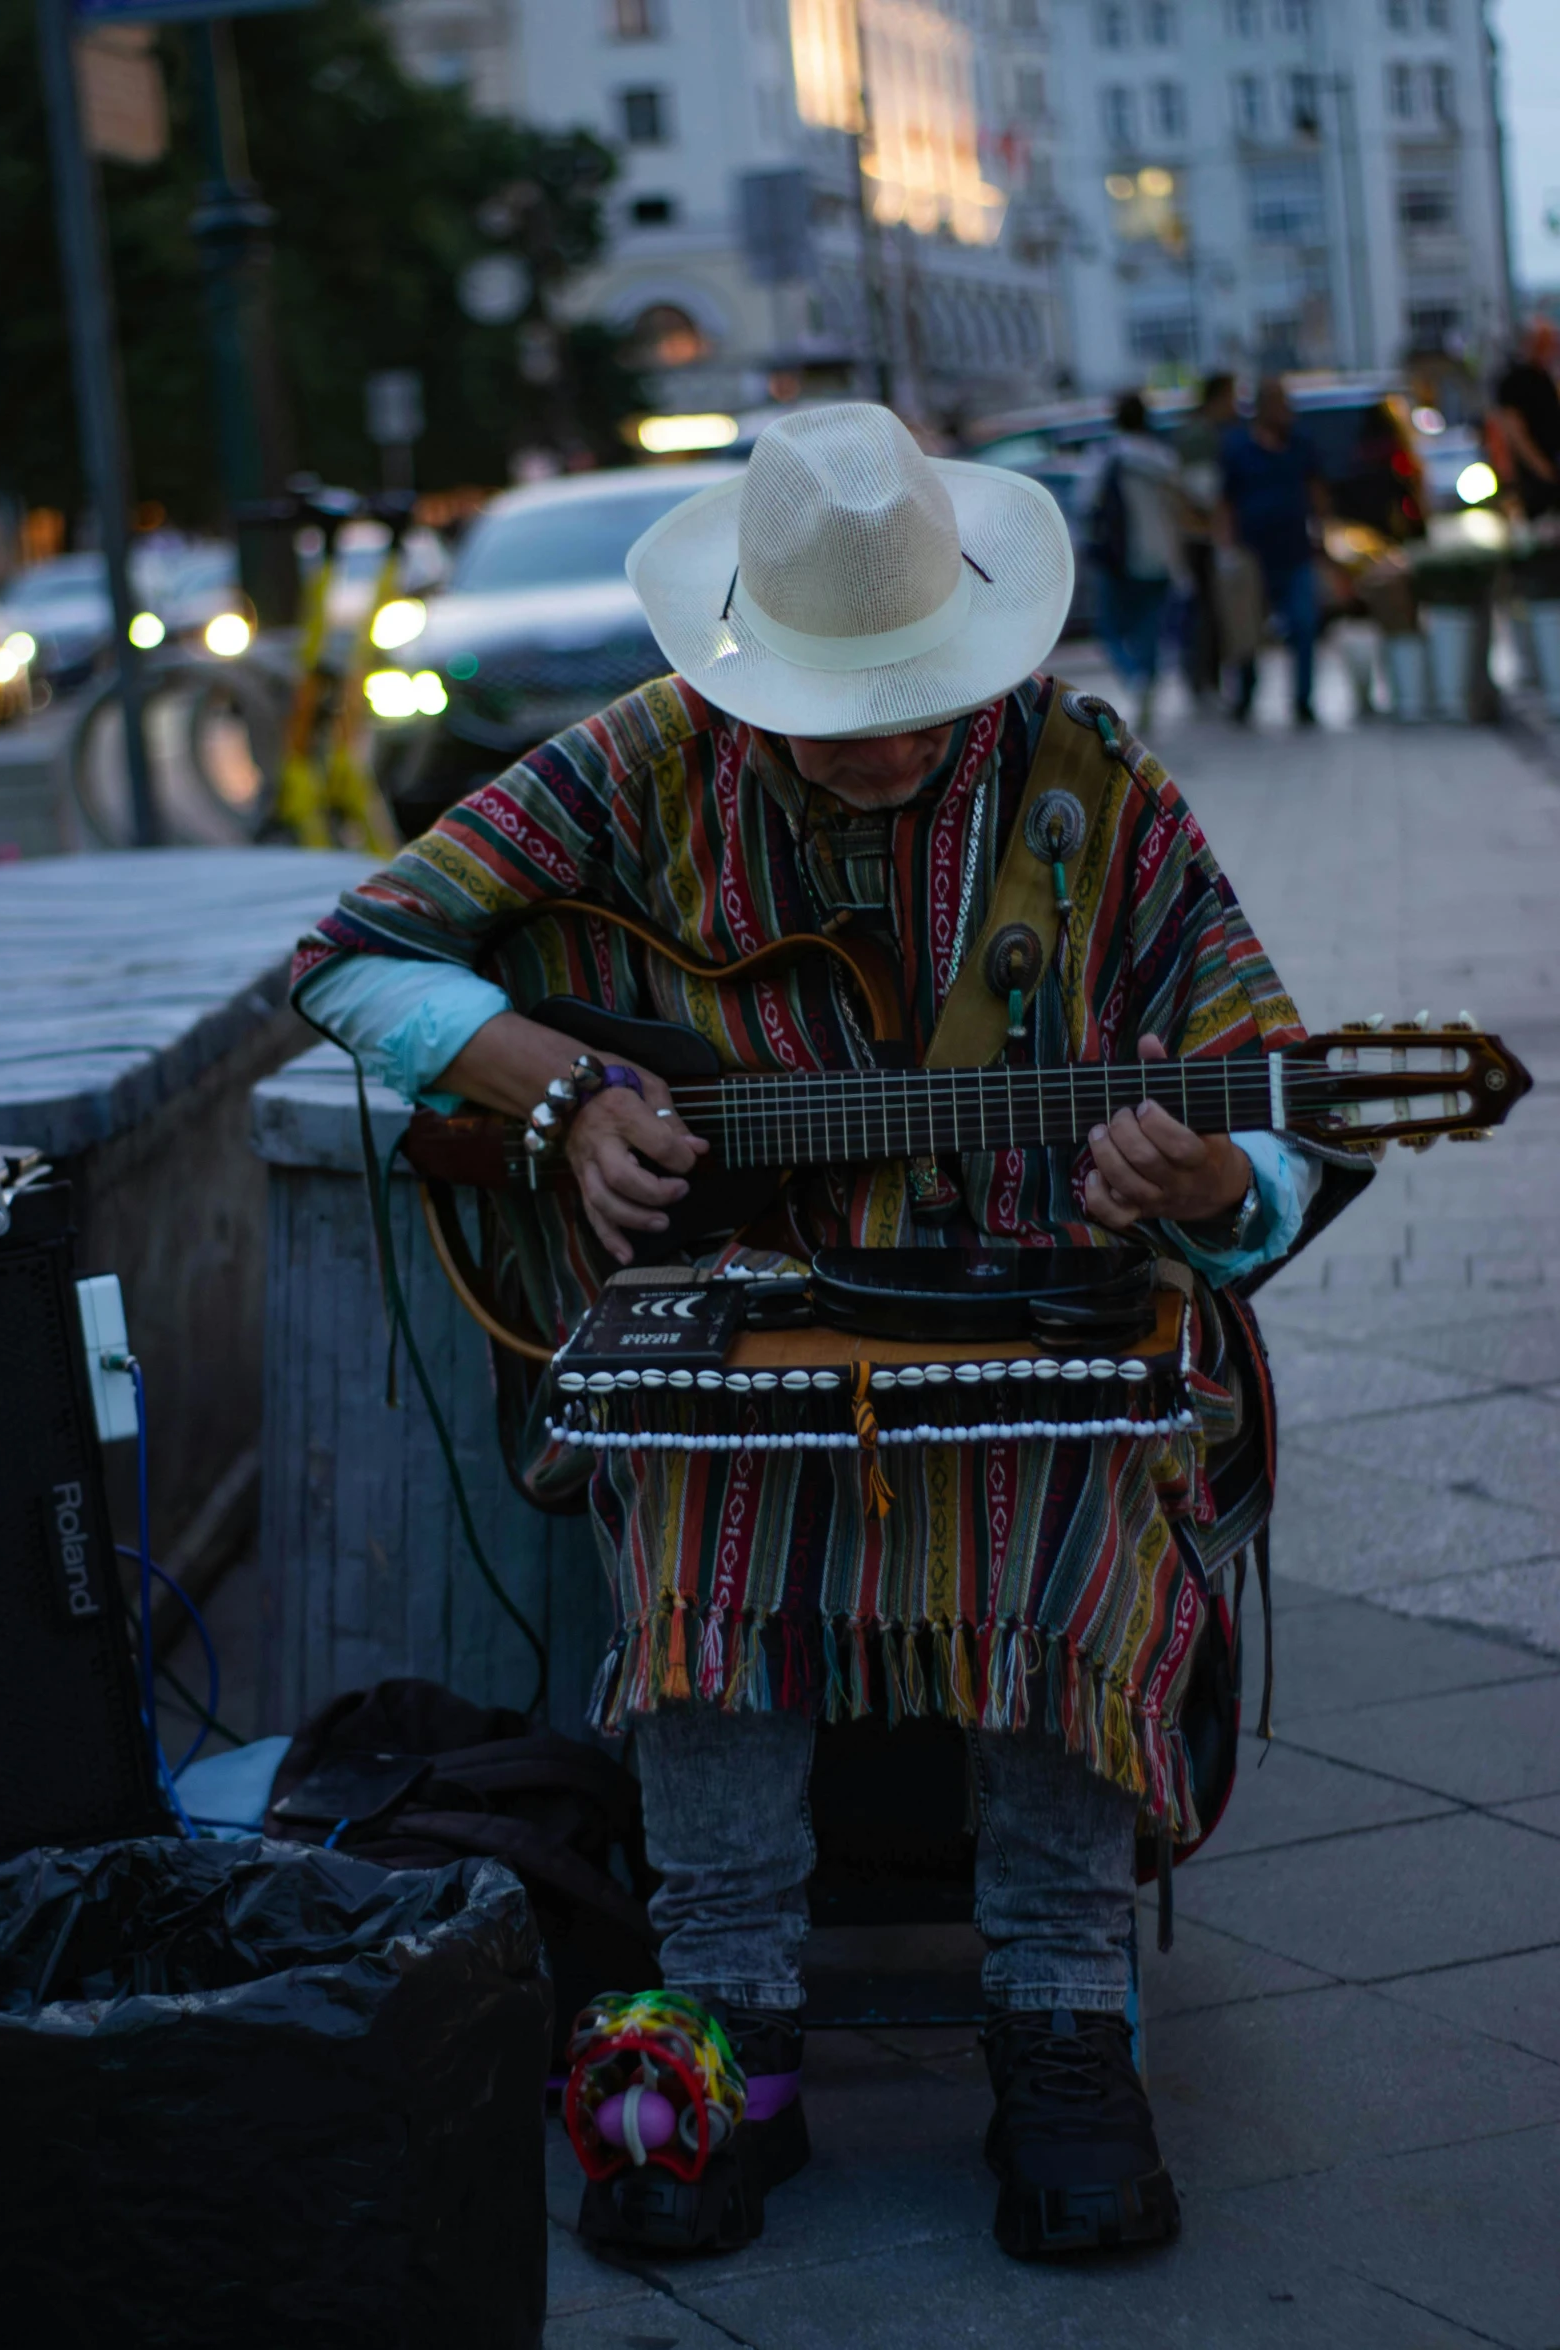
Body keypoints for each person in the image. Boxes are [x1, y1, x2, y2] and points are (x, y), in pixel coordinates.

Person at [293, 406, 1363, 2264]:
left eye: (908, 695)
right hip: (741, 1329)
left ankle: (1060, 2023)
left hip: (1029, 1315)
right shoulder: (637, 759)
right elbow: (355, 954)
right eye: (824, 704)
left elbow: (1278, 1108)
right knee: (698, 1534)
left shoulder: (1088, 787)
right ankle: (727, 2036)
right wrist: (556, 1096)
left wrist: (1204, 1182)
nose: (872, 741)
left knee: (1083, 1513)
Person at [1219, 376, 1327, 727]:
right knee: (1247, 629)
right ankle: (1246, 694)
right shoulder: (1239, 449)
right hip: (1252, 555)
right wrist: (1227, 546)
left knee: (1304, 624)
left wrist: (1323, 536)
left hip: (1296, 552)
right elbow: (1226, 501)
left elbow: (1316, 490)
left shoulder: (1301, 444)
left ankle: (1303, 701)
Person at [1085, 390, 1185, 733]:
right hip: (1161, 556)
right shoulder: (1164, 458)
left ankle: (1134, 676)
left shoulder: (1107, 457)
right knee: (1149, 628)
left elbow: (1087, 502)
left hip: (1120, 556)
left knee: (1110, 627)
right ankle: (1146, 680)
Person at [1173, 372, 1239, 704]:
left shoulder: (1209, 432)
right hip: (1202, 535)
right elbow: (1202, 490)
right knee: (1209, 608)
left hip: (1206, 533)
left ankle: (1208, 675)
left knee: (1211, 607)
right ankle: (1204, 676)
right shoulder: (1201, 435)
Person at [1492, 319, 1560, 520]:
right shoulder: (1516, 381)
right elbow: (1515, 433)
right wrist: (1544, 470)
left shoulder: (1545, 376)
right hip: (1534, 476)